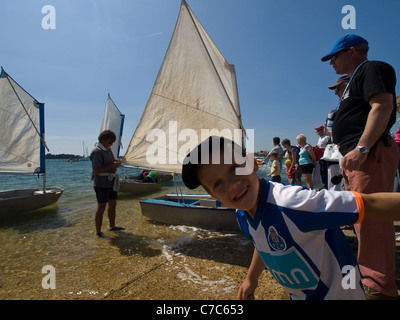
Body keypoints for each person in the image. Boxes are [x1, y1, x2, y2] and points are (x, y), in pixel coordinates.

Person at [181, 136, 400, 300]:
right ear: (211, 194)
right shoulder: (242, 215)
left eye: (235, 168)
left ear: (252, 163)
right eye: (218, 184)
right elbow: (262, 242)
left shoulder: (293, 203)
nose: (232, 185)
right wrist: (251, 279)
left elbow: (369, 204)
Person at [321, 34, 400, 299]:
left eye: (335, 56)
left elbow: (383, 105)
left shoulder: (372, 68)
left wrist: (363, 148)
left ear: (353, 51)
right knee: (362, 218)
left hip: (368, 154)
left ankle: (379, 286)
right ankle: (373, 275)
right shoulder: (357, 77)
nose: (332, 62)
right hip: (357, 157)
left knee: (372, 219)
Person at [90, 130, 124, 237]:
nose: (111, 144)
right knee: (102, 207)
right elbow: (96, 170)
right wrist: (112, 166)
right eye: (110, 142)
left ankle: (112, 226)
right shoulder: (97, 151)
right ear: (103, 140)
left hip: (110, 183)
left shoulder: (107, 149)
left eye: (112, 142)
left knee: (113, 204)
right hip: (101, 184)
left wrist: (116, 160)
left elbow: (110, 160)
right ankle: (98, 232)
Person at [314, 125, 330, 189]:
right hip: (321, 157)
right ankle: (324, 184)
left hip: (325, 156)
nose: (317, 132)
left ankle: (327, 185)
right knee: (322, 171)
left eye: (318, 130)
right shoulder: (320, 138)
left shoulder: (327, 137)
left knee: (325, 170)